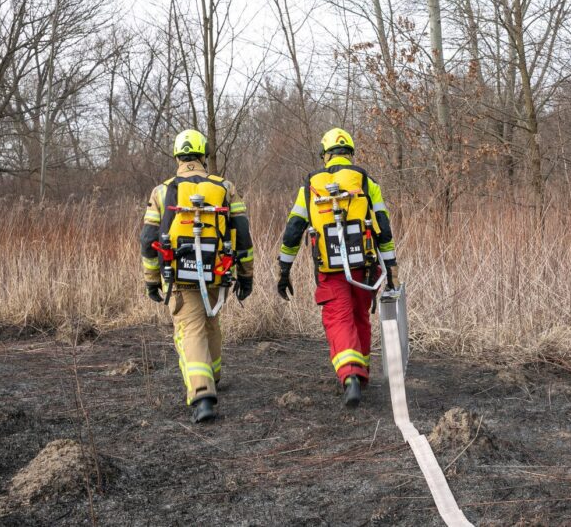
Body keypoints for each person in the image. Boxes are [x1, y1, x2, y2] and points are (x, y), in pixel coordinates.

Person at [277, 127, 398, 408]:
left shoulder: (311, 184)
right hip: (365, 267)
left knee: (338, 318)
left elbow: (294, 229)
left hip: (330, 269)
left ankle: (351, 376)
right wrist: (390, 266)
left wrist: (284, 269)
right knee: (359, 317)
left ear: (326, 155)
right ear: (350, 153)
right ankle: (361, 372)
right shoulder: (367, 181)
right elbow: (383, 228)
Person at [140, 129, 254, 423]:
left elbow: (148, 240)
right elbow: (242, 234)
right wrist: (246, 276)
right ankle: (213, 374)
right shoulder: (225, 187)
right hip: (216, 271)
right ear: (203, 154)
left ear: (177, 155)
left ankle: (203, 394)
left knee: (190, 330)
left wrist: (152, 280)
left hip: (179, 276)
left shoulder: (162, 191)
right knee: (210, 322)